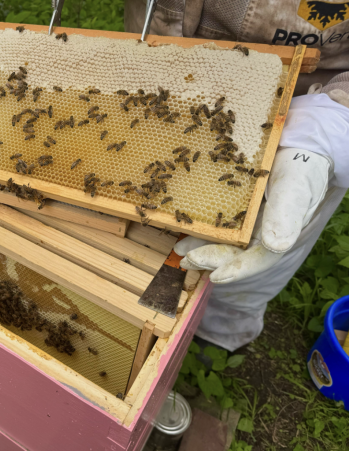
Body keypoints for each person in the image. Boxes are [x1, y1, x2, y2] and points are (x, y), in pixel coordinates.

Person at [125, 0, 349, 351]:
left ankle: (216, 337)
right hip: (151, 86)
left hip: (297, 113)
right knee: (141, 237)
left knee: (256, 250)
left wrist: (328, 128)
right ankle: (140, 324)